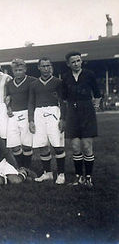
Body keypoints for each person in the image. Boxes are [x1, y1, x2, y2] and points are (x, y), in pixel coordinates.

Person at [62, 51, 101, 188]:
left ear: (81, 61)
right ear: (68, 64)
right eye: (73, 62)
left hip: (87, 112)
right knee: (75, 146)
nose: (76, 64)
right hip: (72, 113)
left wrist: (94, 107)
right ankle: (79, 178)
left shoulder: (89, 74)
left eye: (78, 60)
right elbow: (64, 98)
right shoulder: (66, 77)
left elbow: (97, 94)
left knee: (86, 145)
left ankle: (88, 177)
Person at [28, 57, 66, 185]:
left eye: (48, 66)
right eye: (43, 66)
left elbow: (63, 101)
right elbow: (31, 103)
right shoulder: (34, 84)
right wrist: (31, 121)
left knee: (58, 145)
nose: (46, 68)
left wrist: (63, 118)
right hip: (38, 113)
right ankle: (48, 173)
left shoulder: (58, 82)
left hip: (54, 113)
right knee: (42, 145)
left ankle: (61, 174)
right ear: (38, 67)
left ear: (51, 67)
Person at [5, 59, 36, 169]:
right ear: (12, 71)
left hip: (26, 112)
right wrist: (8, 107)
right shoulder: (9, 83)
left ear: (25, 69)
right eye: (15, 70)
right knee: (14, 145)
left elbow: (34, 99)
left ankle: (26, 168)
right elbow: (8, 98)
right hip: (13, 115)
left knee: (27, 145)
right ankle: (20, 167)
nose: (18, 72)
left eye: (20, 70)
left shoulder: (32, 81)